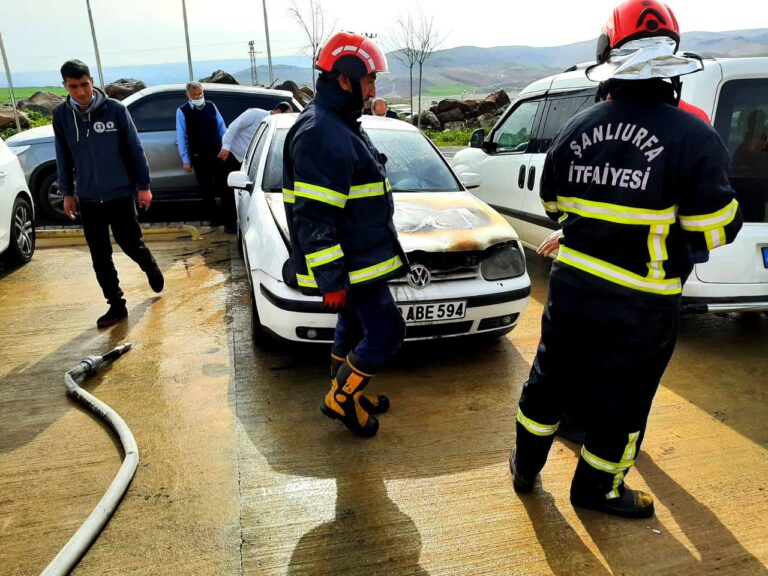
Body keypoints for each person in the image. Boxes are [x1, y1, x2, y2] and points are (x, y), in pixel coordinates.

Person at [509, 0, 743, 519]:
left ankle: (525, 467)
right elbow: (716, 227)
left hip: (572, 290)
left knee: (549, 379)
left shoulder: (574, 130)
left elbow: (553, 208)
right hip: (643, 303)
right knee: (623, 399)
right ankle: (596, 491)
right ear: (673, 63)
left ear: (609, 58)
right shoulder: (695, 138)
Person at [282, 31, 407, 437]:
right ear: (344, 80)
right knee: (387, 331)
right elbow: (314, 217)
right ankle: (341, 398)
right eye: (369, 80)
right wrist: (331, 279)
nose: (373, 90)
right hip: (352, 263)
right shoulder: (323, 132)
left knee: (352, 329)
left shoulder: (339, 122)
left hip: (359, 258)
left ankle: (348, 391)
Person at [53, 59, 164, 328]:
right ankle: (116, 305)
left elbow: (134, 149)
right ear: (65, 86)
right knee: (99, 255)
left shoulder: (115, 110)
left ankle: (148, 264)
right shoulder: (61, 115)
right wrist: (68, 192)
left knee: (130, 243)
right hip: (89, 198)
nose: (80, 92)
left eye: (84, 85)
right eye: (73, 87)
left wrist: (143, 185)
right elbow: (63, 155)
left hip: (121, 194)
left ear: (92, 82)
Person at [175, 81, 235, 230]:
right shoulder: (182, 111)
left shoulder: (211, 106)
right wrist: (185, 160)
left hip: (217, 152)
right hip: (199, 155)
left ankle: (230, 220)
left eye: (200, 94)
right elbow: (181, 136)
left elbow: (222, 128)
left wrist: (226, 147)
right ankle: (214, 219)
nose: (197, 96)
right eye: (194, 95)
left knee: (224, 187)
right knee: (206, 188)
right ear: (187, 95)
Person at [218, 101, 293, 165]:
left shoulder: (277, 127)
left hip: (248, 162)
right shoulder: (255, 114)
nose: (287, 118)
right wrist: (226, 147)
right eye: (286, 115)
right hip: (230, 154)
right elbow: (234, 127)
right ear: (278, 111)